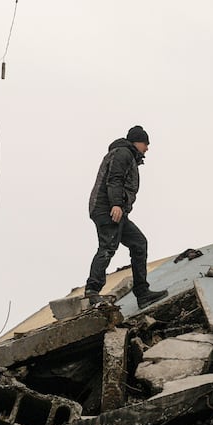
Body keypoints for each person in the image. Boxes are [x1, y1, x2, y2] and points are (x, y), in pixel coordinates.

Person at [84, 125, 168, 307]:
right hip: (107, 208)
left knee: (139, 243)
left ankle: (142, 293)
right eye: (145, 143)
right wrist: (116, 204)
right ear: (137, 142)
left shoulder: (127, 155)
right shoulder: (123, 153)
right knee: (108, 246)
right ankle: (92, 291)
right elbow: (114, 179)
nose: (147, 148)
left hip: (116, 209)